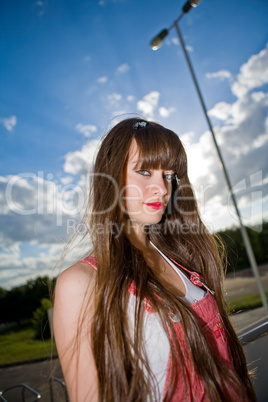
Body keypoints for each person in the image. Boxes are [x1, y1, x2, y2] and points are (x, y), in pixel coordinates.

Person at [53, 117, 256, 401]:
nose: (162, 188)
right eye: (145, 171)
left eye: (169, 175)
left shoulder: (181, 258)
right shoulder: (81, 283)